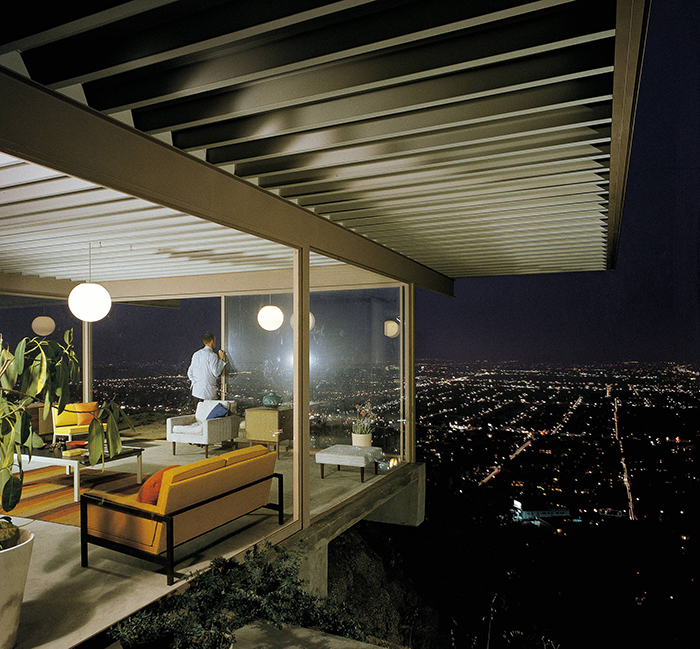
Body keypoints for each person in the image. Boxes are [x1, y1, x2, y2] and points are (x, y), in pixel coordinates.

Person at [187, 332, 226, 408]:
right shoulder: (212, 356)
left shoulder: (196, 354)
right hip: (208, 394)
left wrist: (195, 382)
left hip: (196, 392)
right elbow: (216, 373)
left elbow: (189, 372)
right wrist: (221, 360)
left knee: (199, 415)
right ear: (212, 341)